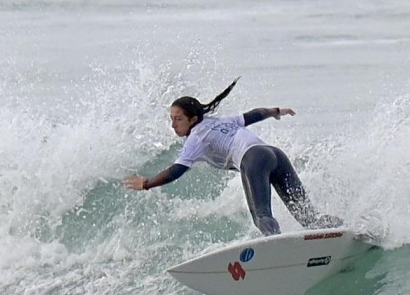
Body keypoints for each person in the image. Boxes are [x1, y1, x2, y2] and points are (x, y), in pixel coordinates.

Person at [124, 78, 342, 236]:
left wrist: (146, 183)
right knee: (308, 217)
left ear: (192, 119)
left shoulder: (196, 138)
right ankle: (345, 227)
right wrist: (277, 110)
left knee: (261, 217)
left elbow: (176, 171)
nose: (173, 125)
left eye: (178, 119)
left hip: (253, 159)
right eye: (171, 119)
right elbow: (254, 114)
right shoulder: (220, 120)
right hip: (275, 154)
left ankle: (276, 244)